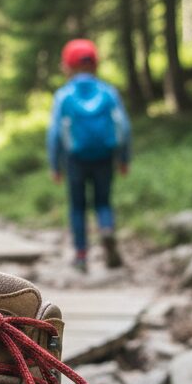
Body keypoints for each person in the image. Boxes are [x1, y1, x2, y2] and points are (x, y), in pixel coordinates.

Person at [46, 38, 131, 272]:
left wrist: (55, 164)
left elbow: (54, 133)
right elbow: (124, 127)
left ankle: (81, 256)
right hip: (105, 156)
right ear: (95, 64)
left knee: (78, 206)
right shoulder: (109, 92)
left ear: (68, 66)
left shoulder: (64, 95)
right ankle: (106, 230)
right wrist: (124, 158)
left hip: (75, 159)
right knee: (103, 201)